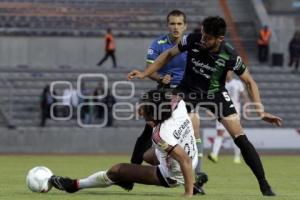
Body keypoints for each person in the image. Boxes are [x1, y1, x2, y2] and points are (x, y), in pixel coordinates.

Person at [127, 16, 282, 196]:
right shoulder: (192, 39)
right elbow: (169, 54)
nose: (202, 39)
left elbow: (249, 82)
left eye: (207, 38)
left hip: (215, 94)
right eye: (202, 34)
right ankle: (133, 172)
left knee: (240, 138)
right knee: (153, 119)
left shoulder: (230, 55)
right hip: (187, 91)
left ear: (220, 39)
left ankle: (264, 185)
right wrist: (146, 73)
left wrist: (260, 111)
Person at [49, 90, 199, 197]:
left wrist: (188, 194)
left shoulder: (161, 135)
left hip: (172, 174)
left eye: (144, 111)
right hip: (191, 158)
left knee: (117, 170)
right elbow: (193, 116)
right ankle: (189, 180)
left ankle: (74, 185)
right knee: (146, 156)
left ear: (155, 114)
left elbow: (184, 160)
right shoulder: (178, 103)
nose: (141, 113)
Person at [129, 9, 207, 194]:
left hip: (186, 94)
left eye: (179, 24)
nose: (176, 27)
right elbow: (150, 69)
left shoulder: (193, 45)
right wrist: (159, 78)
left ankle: (195, 178)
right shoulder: (158, 44)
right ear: (168, 25)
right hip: (164, 94)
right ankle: (131, 174)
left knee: (192, 129)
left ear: (185, 26)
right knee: (148, 133)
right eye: (172, 23)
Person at [208, 71, 249, 164]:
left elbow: (245, 97)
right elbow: (213, 97)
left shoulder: (237, 83)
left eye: (228, 72)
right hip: (221, 111)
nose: (227, 73)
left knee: (236, 134)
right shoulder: (219, 84)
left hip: (234, 112)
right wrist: (210, 109)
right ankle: (214, 155)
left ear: (231, 72)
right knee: (219, 133)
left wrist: (247, 108)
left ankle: (237, 157)